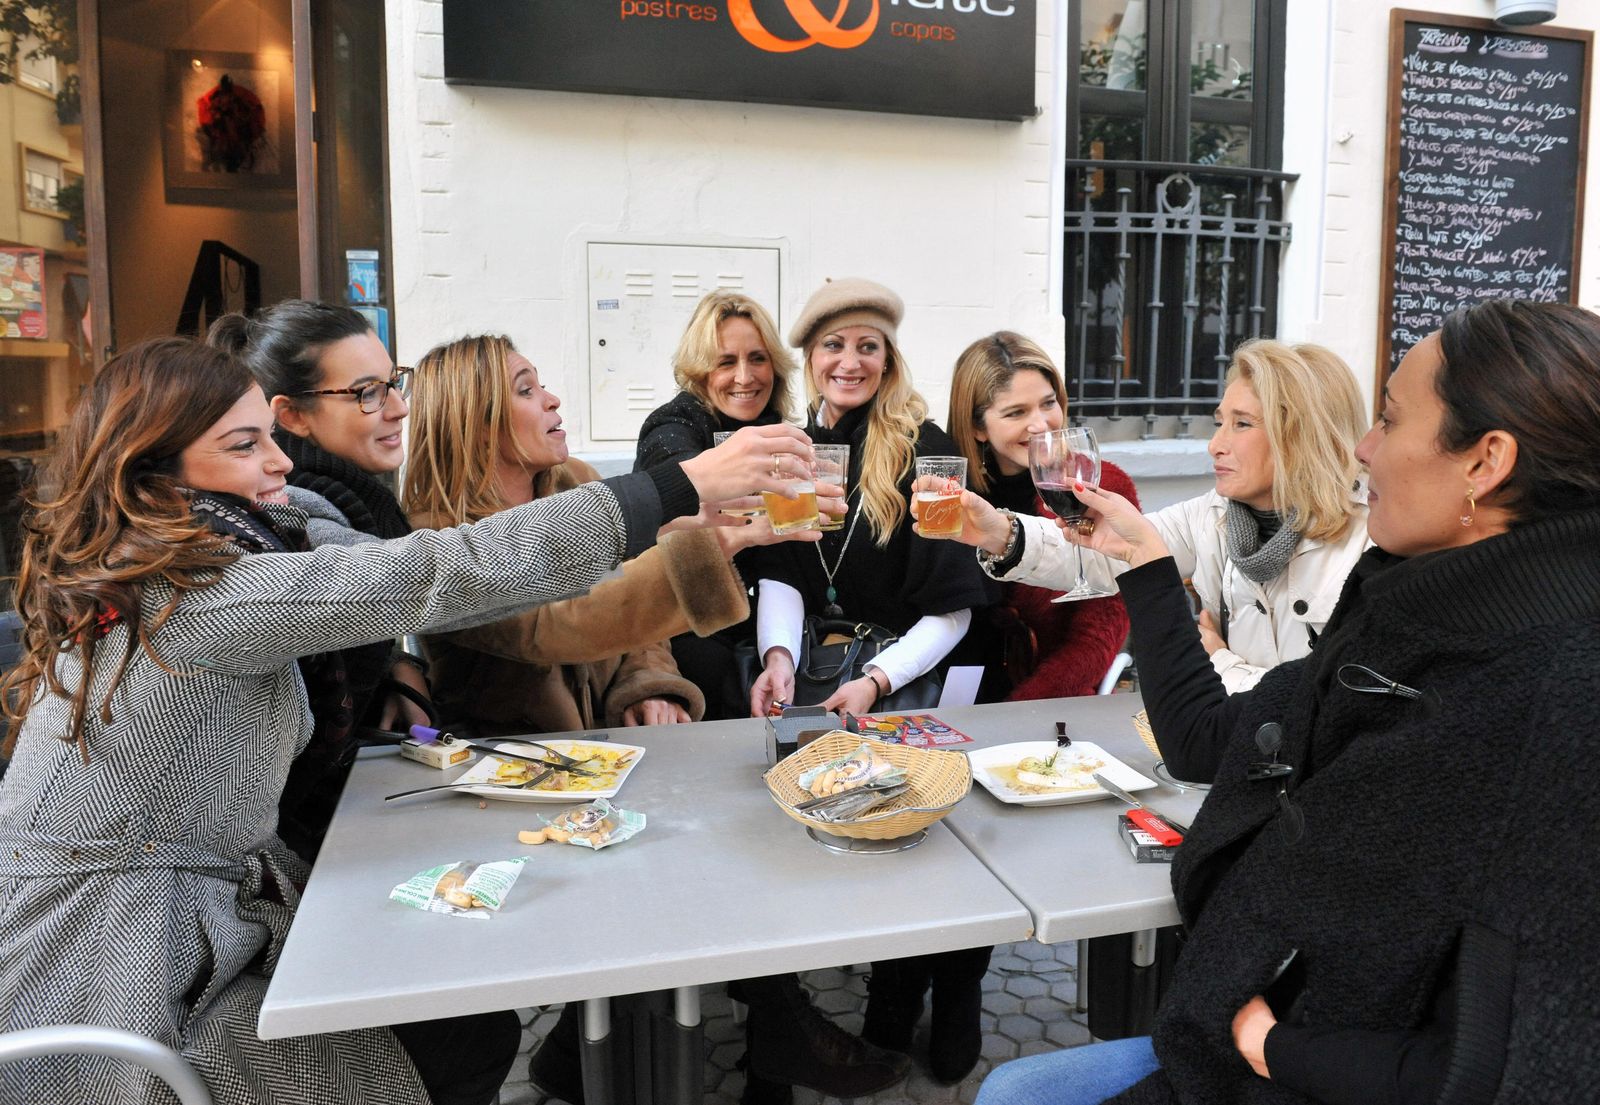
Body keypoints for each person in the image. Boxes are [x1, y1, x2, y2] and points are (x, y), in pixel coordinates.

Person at [0, 338, 809, 1105]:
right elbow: (433, 574)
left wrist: (696, 530)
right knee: (455, 1042)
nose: (280, 460)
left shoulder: (242, 538)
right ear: (151, 473)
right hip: (116, 958)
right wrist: (675, 485)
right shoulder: (196, 592)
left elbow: (432, 572)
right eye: (245, 445)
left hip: (200, 913)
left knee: (465, 1029)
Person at [977, 298, 1600, 1105]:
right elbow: (1211, 739)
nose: (1365, 447)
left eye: (1389, 419)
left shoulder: (1557, 702)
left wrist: (1273, 1045)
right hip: (1236, 1034)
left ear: (1486, 462)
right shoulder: (1405, 609)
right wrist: (1096, 554)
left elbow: (1508, 1063)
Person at [746, 278, 997, 1092]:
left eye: (868, 345)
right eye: (834, 345)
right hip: (819, 679)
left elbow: (953, 608)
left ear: (888, 358)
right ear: (809, 357)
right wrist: (777, 655)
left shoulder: (927, 449)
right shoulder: (793, 448)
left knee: (915, 850)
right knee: (819, 836)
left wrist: (879, 679)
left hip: (904, 678)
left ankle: (931, 998)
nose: (849, 361)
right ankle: (829, 1017)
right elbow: (783, 570)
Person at [405, 332, 816, 735]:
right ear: (476, 422)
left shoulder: (574, 483)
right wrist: (722, 540)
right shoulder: (437, 535)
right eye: (526, 390)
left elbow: (627, 591)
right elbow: (554, 625)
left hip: (609, 750)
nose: (552, 399)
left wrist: (649, 685)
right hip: (500, 758)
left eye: (542, 385)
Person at [933, 340, 1369, 694]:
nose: (1214, 445)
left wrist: (1218, 662)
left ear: (1302, 436)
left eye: (1241, 424)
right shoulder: (1212, 516)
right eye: (1220, 422)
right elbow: (1103, 557)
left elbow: (1330, 701)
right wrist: (1002, 533)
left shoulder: (1373, 545)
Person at [207, 300, 429, 862]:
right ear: (293, 416)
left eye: (394, 382)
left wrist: (399, 663)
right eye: (367, 392)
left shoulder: (359, 497)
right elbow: (426, 576)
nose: (399, 407)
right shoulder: (290, 515)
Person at [943, 330, 1139, 701]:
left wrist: (1019, 710)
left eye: (1048, 403)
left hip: (1051, 701)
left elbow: (1098, 637)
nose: (1041, 424)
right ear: (978, 427)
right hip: (954, 696)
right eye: (1016, 412)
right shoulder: (956, 494)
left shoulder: (1100, 487)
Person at [634, 290, 799, 718]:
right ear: (700, 370)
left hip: (767, 635)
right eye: (726, 362)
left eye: (758, 358)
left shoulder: (776, 432)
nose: (745, 376)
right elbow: (682, 506)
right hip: (691, 639)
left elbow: (783, 561)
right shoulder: (673, 428)